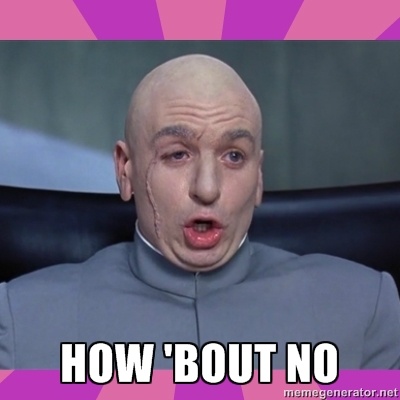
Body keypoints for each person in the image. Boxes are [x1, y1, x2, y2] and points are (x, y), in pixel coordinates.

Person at [0, 54, 399, 370]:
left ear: (259, 176)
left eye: (233, 156)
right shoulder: (21, 321)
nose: (207, 188)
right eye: (177, 154)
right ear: (126, 170)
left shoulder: (366, 308)